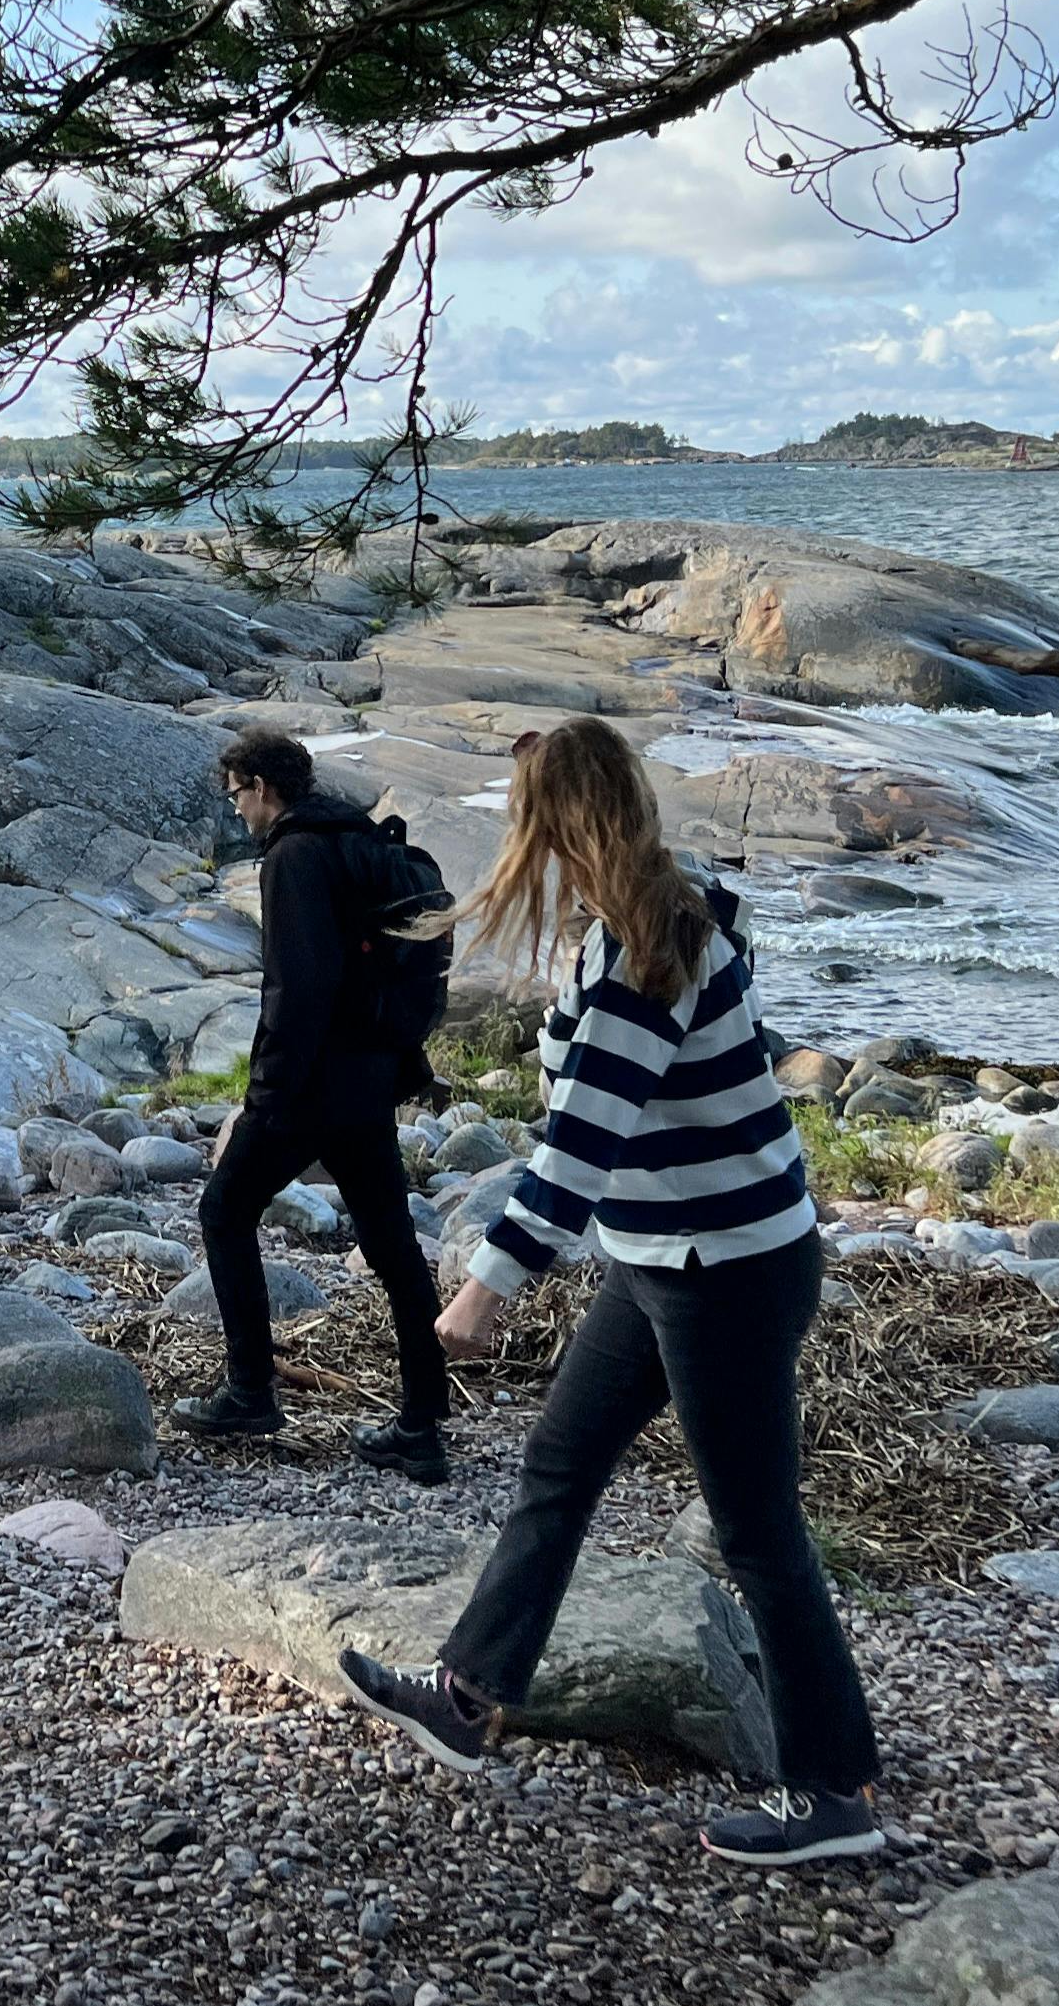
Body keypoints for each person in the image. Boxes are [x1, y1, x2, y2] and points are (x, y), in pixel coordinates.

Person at [332, 714, 887, 1869]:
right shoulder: (648, 923)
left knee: (759, 1532)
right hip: (666, 1255)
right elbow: (603, 1103)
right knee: (562, 1465)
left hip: (728, 1268)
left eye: (523, 821)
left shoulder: (650, 952)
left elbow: (579, 1150)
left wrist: (487, 1288)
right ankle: (471, 1696)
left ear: (555, 827)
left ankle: (835, 1793)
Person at [172, 728, 454, 1485]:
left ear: (263, 785)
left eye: (236, 794)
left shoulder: (294, 854)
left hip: (312, 1086)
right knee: (394, 1246)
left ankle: (250, 1391)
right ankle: (423, 1423)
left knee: (224, 1211)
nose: (236, 811)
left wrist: (256, 1102)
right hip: (368, 1080)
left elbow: (297, 990)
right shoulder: (353, 837)